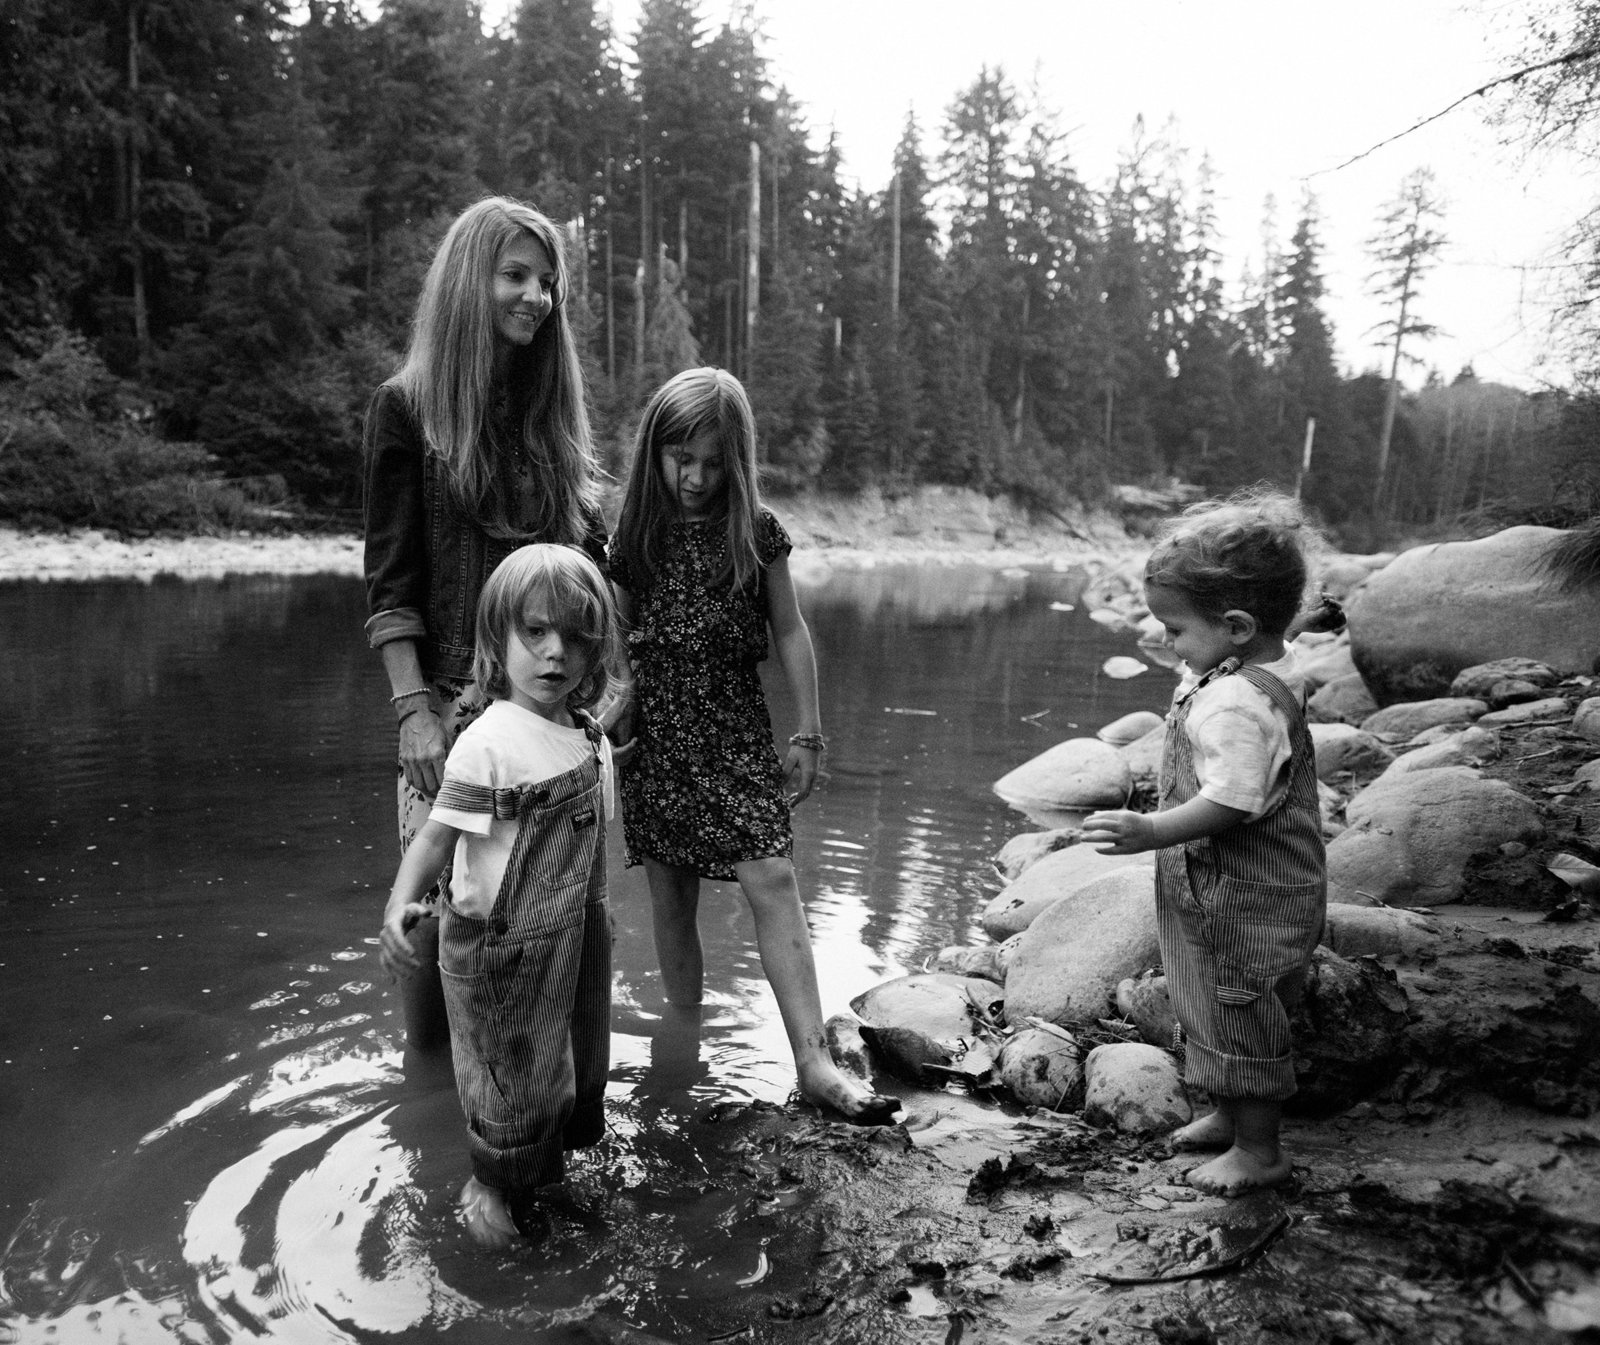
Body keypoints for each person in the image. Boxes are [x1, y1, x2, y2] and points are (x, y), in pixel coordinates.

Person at [608, 366, 900, 1126]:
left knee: (772, 874)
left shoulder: (757, 532)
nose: (697, 477)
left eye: (712, 461)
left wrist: (808, 730)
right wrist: (616, 719)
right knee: (670, 896)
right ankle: (684, 1040)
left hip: (736, 734)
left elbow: (792, 631)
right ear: (655, 453)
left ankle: (813, 1060)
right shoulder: (633, 537)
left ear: (736, 459)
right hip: (658, 739)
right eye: (681, 459)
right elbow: (616, 644)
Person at [363, 196, 608, 1053]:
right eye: (515, 276)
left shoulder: (551, 418)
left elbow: (592, 573)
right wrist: (415, 715)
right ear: (472, 280)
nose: (536, 297)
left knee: (537, 915)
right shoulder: (408, 409)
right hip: (445, 709)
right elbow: (390, 583)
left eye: (547, 282)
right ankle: (428, 1097)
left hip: (543, 714)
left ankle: (525, 1098)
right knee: (432, 919)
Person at [1080, 489, 1331, 1197]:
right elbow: (1251, 648)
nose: (1165, 642)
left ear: (1237, 626)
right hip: (1242, 885)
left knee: (1239, 1005)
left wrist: (1150, 829)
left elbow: (1233, 798)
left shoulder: (1234, 703)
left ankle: (1260, 1150)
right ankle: (1229, 1112)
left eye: (1175, 628)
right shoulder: (1255, 667)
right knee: (1214, 1001)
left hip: (1243, 891)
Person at [379, 544, 625, 1248]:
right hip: (503, 956)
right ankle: (487, 1190)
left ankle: (540, 1178)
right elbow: (433, 839)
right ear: (499, 639)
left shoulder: (588, 736)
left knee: (565, 1071)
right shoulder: (487, 743)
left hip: (571, 941)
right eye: (536, 632)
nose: (556, 653)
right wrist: (401, 903)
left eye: (577, 637)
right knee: (510, 1085)